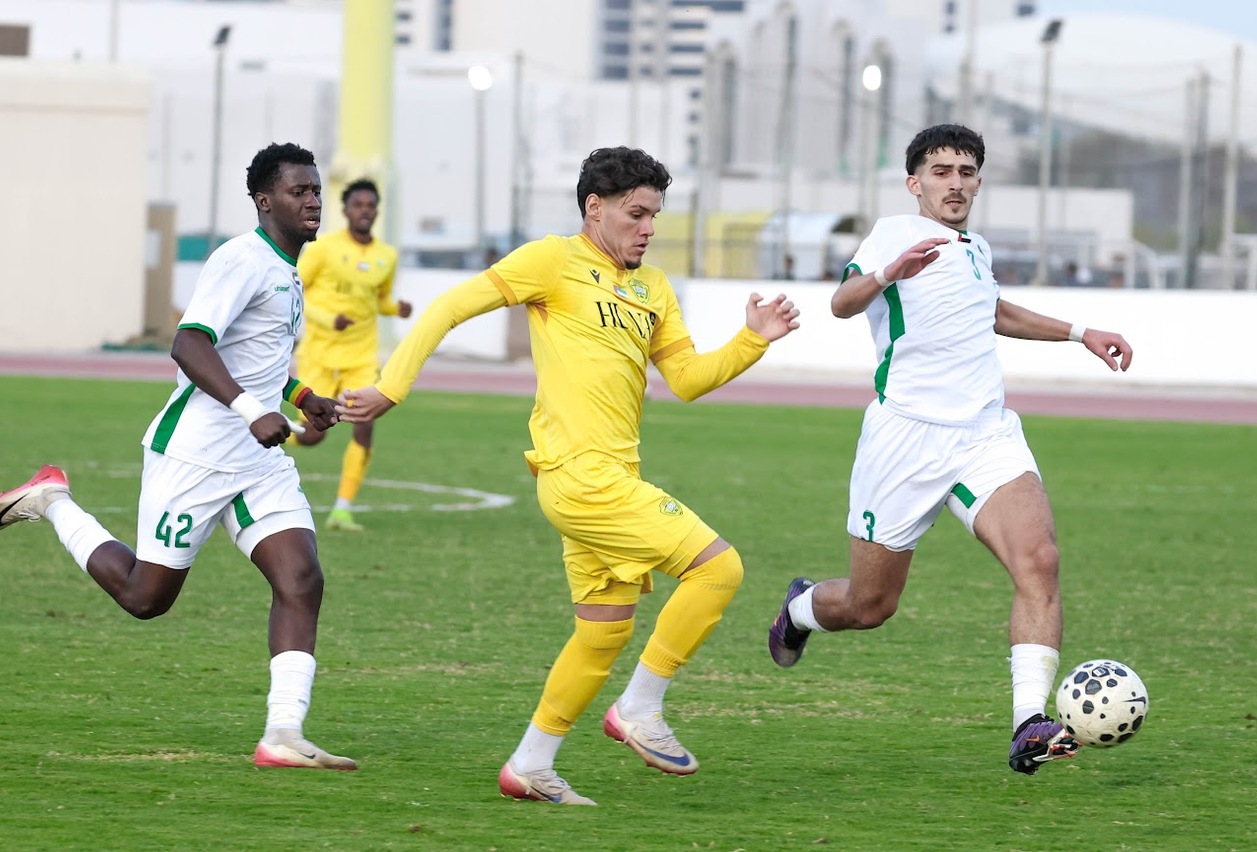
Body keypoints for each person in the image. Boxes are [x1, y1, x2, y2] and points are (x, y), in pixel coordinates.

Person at [337, 146, 800, 804]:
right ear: (595, 208)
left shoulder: (653, 289)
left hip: (611, 476)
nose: (647, 228)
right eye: (636, 214)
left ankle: (530, 763)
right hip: (580, 478)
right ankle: (639, 709)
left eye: (655, 216)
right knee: (719, 569)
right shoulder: (552, 261)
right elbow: (445, 309)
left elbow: (690, 380)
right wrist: (392, 387)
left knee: (604, 630)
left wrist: (751, 339)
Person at [766, 124, 1133, 776]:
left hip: (985, 434)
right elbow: (842, 303)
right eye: (941, 171)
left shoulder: (976, 247)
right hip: (905, 440)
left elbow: (994, 312)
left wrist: (1081, 332)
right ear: (916, 183)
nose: (955, 182)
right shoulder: (893, 233)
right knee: (869, 607)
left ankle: (1030, 723)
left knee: (1039, 560)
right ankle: (801, 610)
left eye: (966, 171)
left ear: (978, 182)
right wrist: (886, 272)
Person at [0, 142, 357, 771]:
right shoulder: (241, 260)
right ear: (265, 201)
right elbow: (189, 343)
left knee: (302, 579)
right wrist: (250, 411)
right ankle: (51, 499)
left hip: (256, 462)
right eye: (299, 191)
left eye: (316, 189)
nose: (314, 200)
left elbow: (256, 357)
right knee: (145, 597)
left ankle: (282, 734)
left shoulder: (286, 268)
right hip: (196, 456)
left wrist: (301, 395)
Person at [289, 177, 413, 532]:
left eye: (370, 205)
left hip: (360, 357)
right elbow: (297, 290)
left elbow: (378, 299)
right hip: (320, 355)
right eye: (358, 205)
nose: (365, 211)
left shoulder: (385, 256)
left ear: (376, 211)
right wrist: (330, 318)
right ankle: (271, 438)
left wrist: (395, 309)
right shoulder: (324, 248)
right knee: (314, 434)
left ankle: (342, 510)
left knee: (364, 423)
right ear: (345, 210)